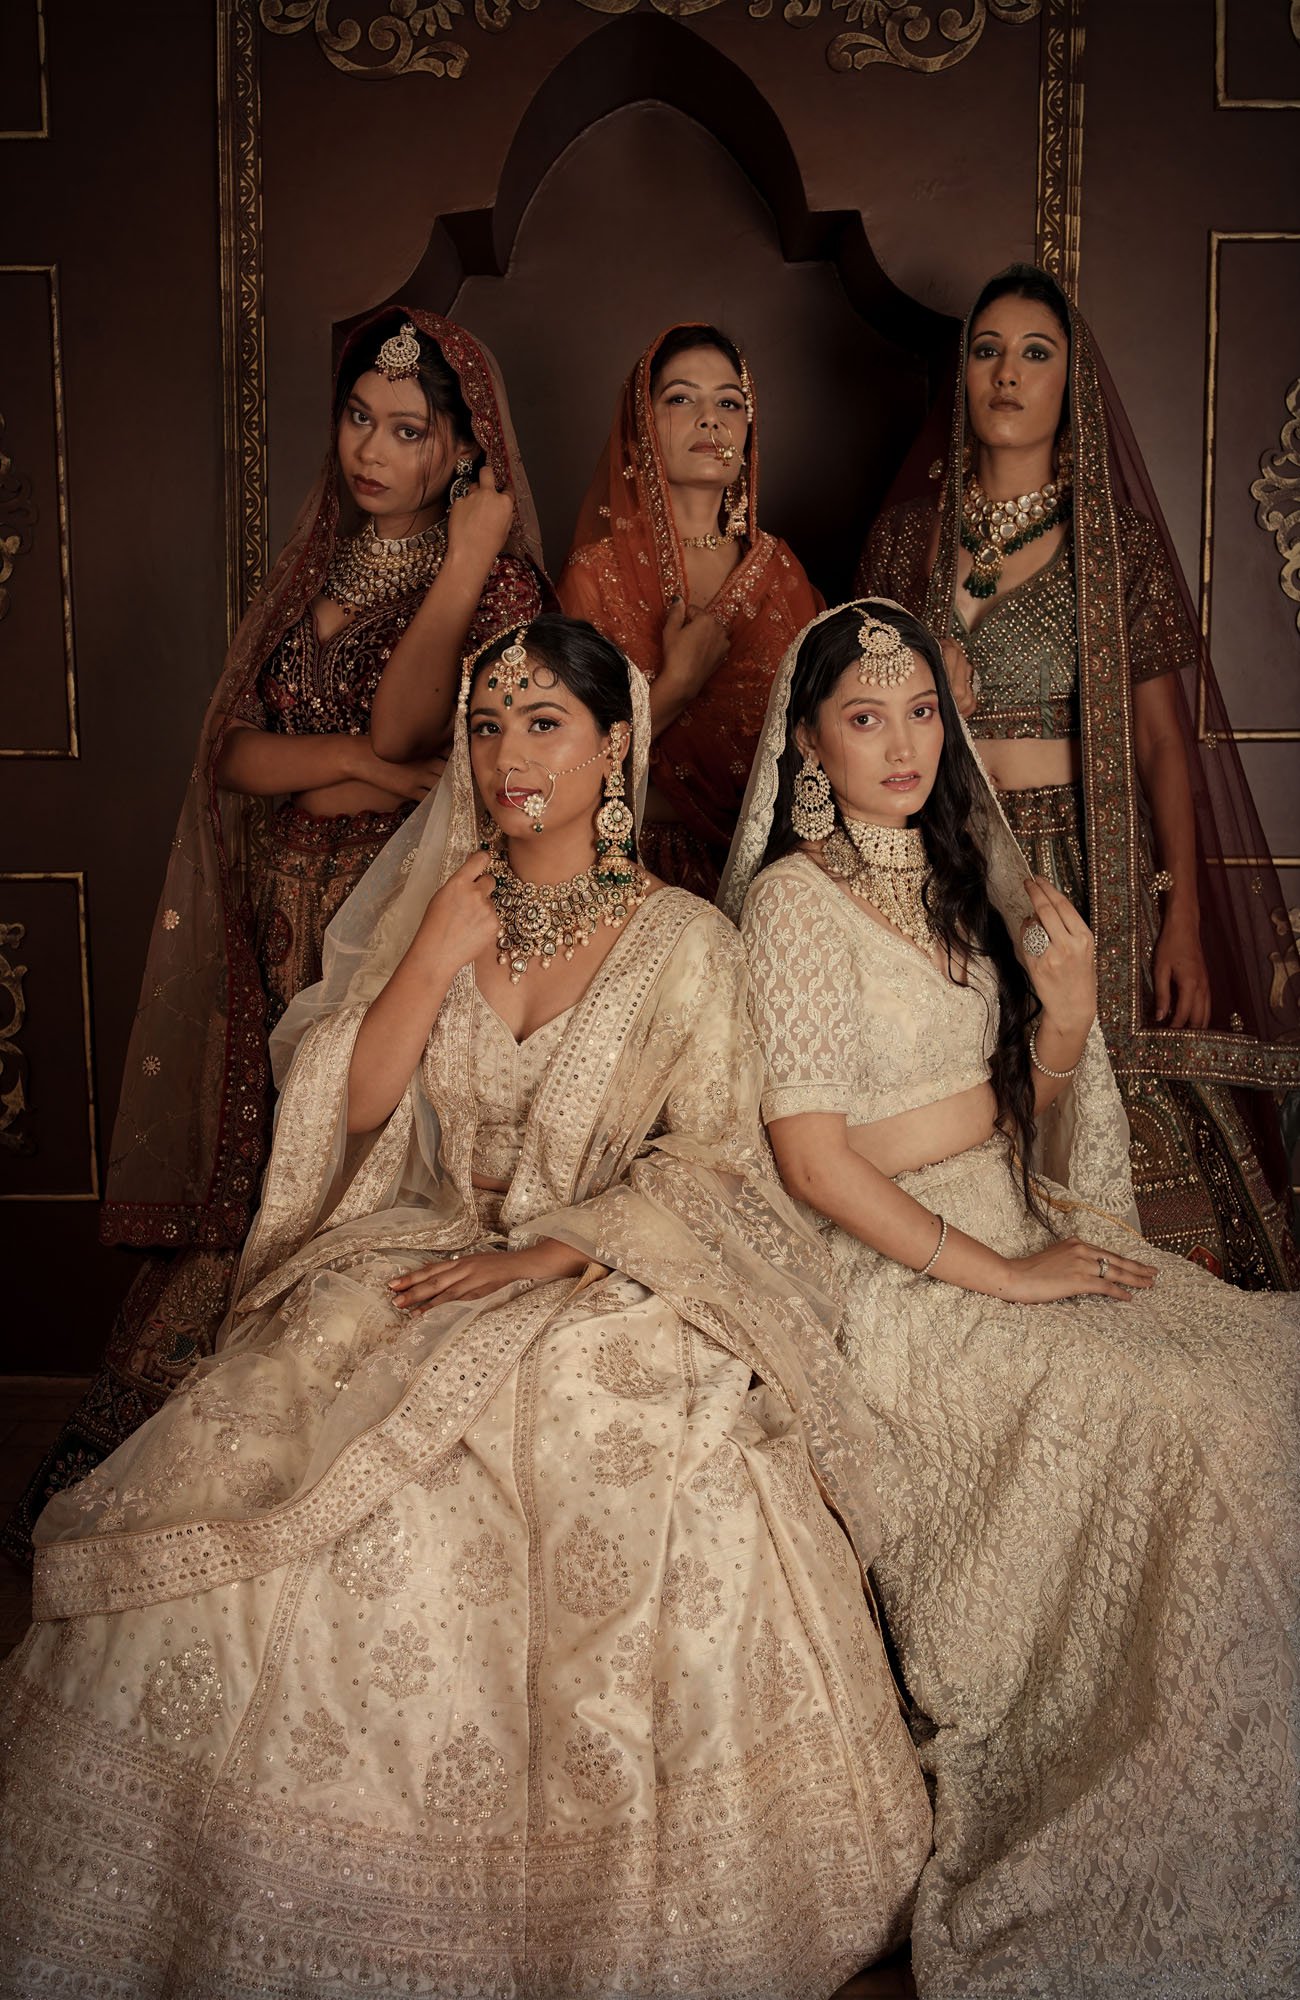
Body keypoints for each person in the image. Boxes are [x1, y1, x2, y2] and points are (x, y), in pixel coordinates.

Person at [0, 615, 931, 1997]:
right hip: (426, 1246)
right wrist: (433, 956)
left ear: (615, 746)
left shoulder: (685, 942)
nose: (508, 756)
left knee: (597, 1438)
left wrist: (552, 1254)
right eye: (488, 726)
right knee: (271, 1435)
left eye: (544, 723)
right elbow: (351, 1110)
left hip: (611, 1277)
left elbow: (716, 1165)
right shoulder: (446, 903)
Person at [724, 598, 1298, 1997]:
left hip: (1009, 1217)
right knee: (1172, 1414)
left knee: (1259, 1373)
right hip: (892, 1278)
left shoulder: (963, 879)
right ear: (809, 745)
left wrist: (1070, 1016)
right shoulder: (793, 904)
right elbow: (811, 1161)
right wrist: (1003, 1276)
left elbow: (1027, 1129)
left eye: (923, 710)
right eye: (865, 716)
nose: (904, 743)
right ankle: (1120, 1771)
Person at [3, 308, 547, 1562]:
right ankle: (140, 1456)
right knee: (246, 1169)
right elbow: (238, 756)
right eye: (358, 418)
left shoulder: (500, 582)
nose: (371, 449)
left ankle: (271, 1475)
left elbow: (420, 734)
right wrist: (362, 767)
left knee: (333, 1168)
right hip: (275, 924)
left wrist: (465, 560)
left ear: (461, 449)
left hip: (397, 933)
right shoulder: (320, 563)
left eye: (406, 430)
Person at [858, 264, 1298, 1286]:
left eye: (1035, 353)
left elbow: (1161, 746)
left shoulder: (1115, 548)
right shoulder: (905, 543)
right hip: (943, 868)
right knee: (961, 1117)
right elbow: (852, 718)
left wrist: (1181, 917)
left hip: (1081, 870)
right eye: (987, 351)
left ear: (1072, 386)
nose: (1007, 374)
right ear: (963, 377)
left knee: (1114, 1131)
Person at [557, 323, 821, 896]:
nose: (710, 419)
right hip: (630, 867)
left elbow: (819, 740)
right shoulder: (596, 576)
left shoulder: (781, 573)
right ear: (641, 426)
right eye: (681, 399)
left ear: (748, 429)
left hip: (772, 869)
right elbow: (561, 762)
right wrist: (677, 686)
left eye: (729, 402)